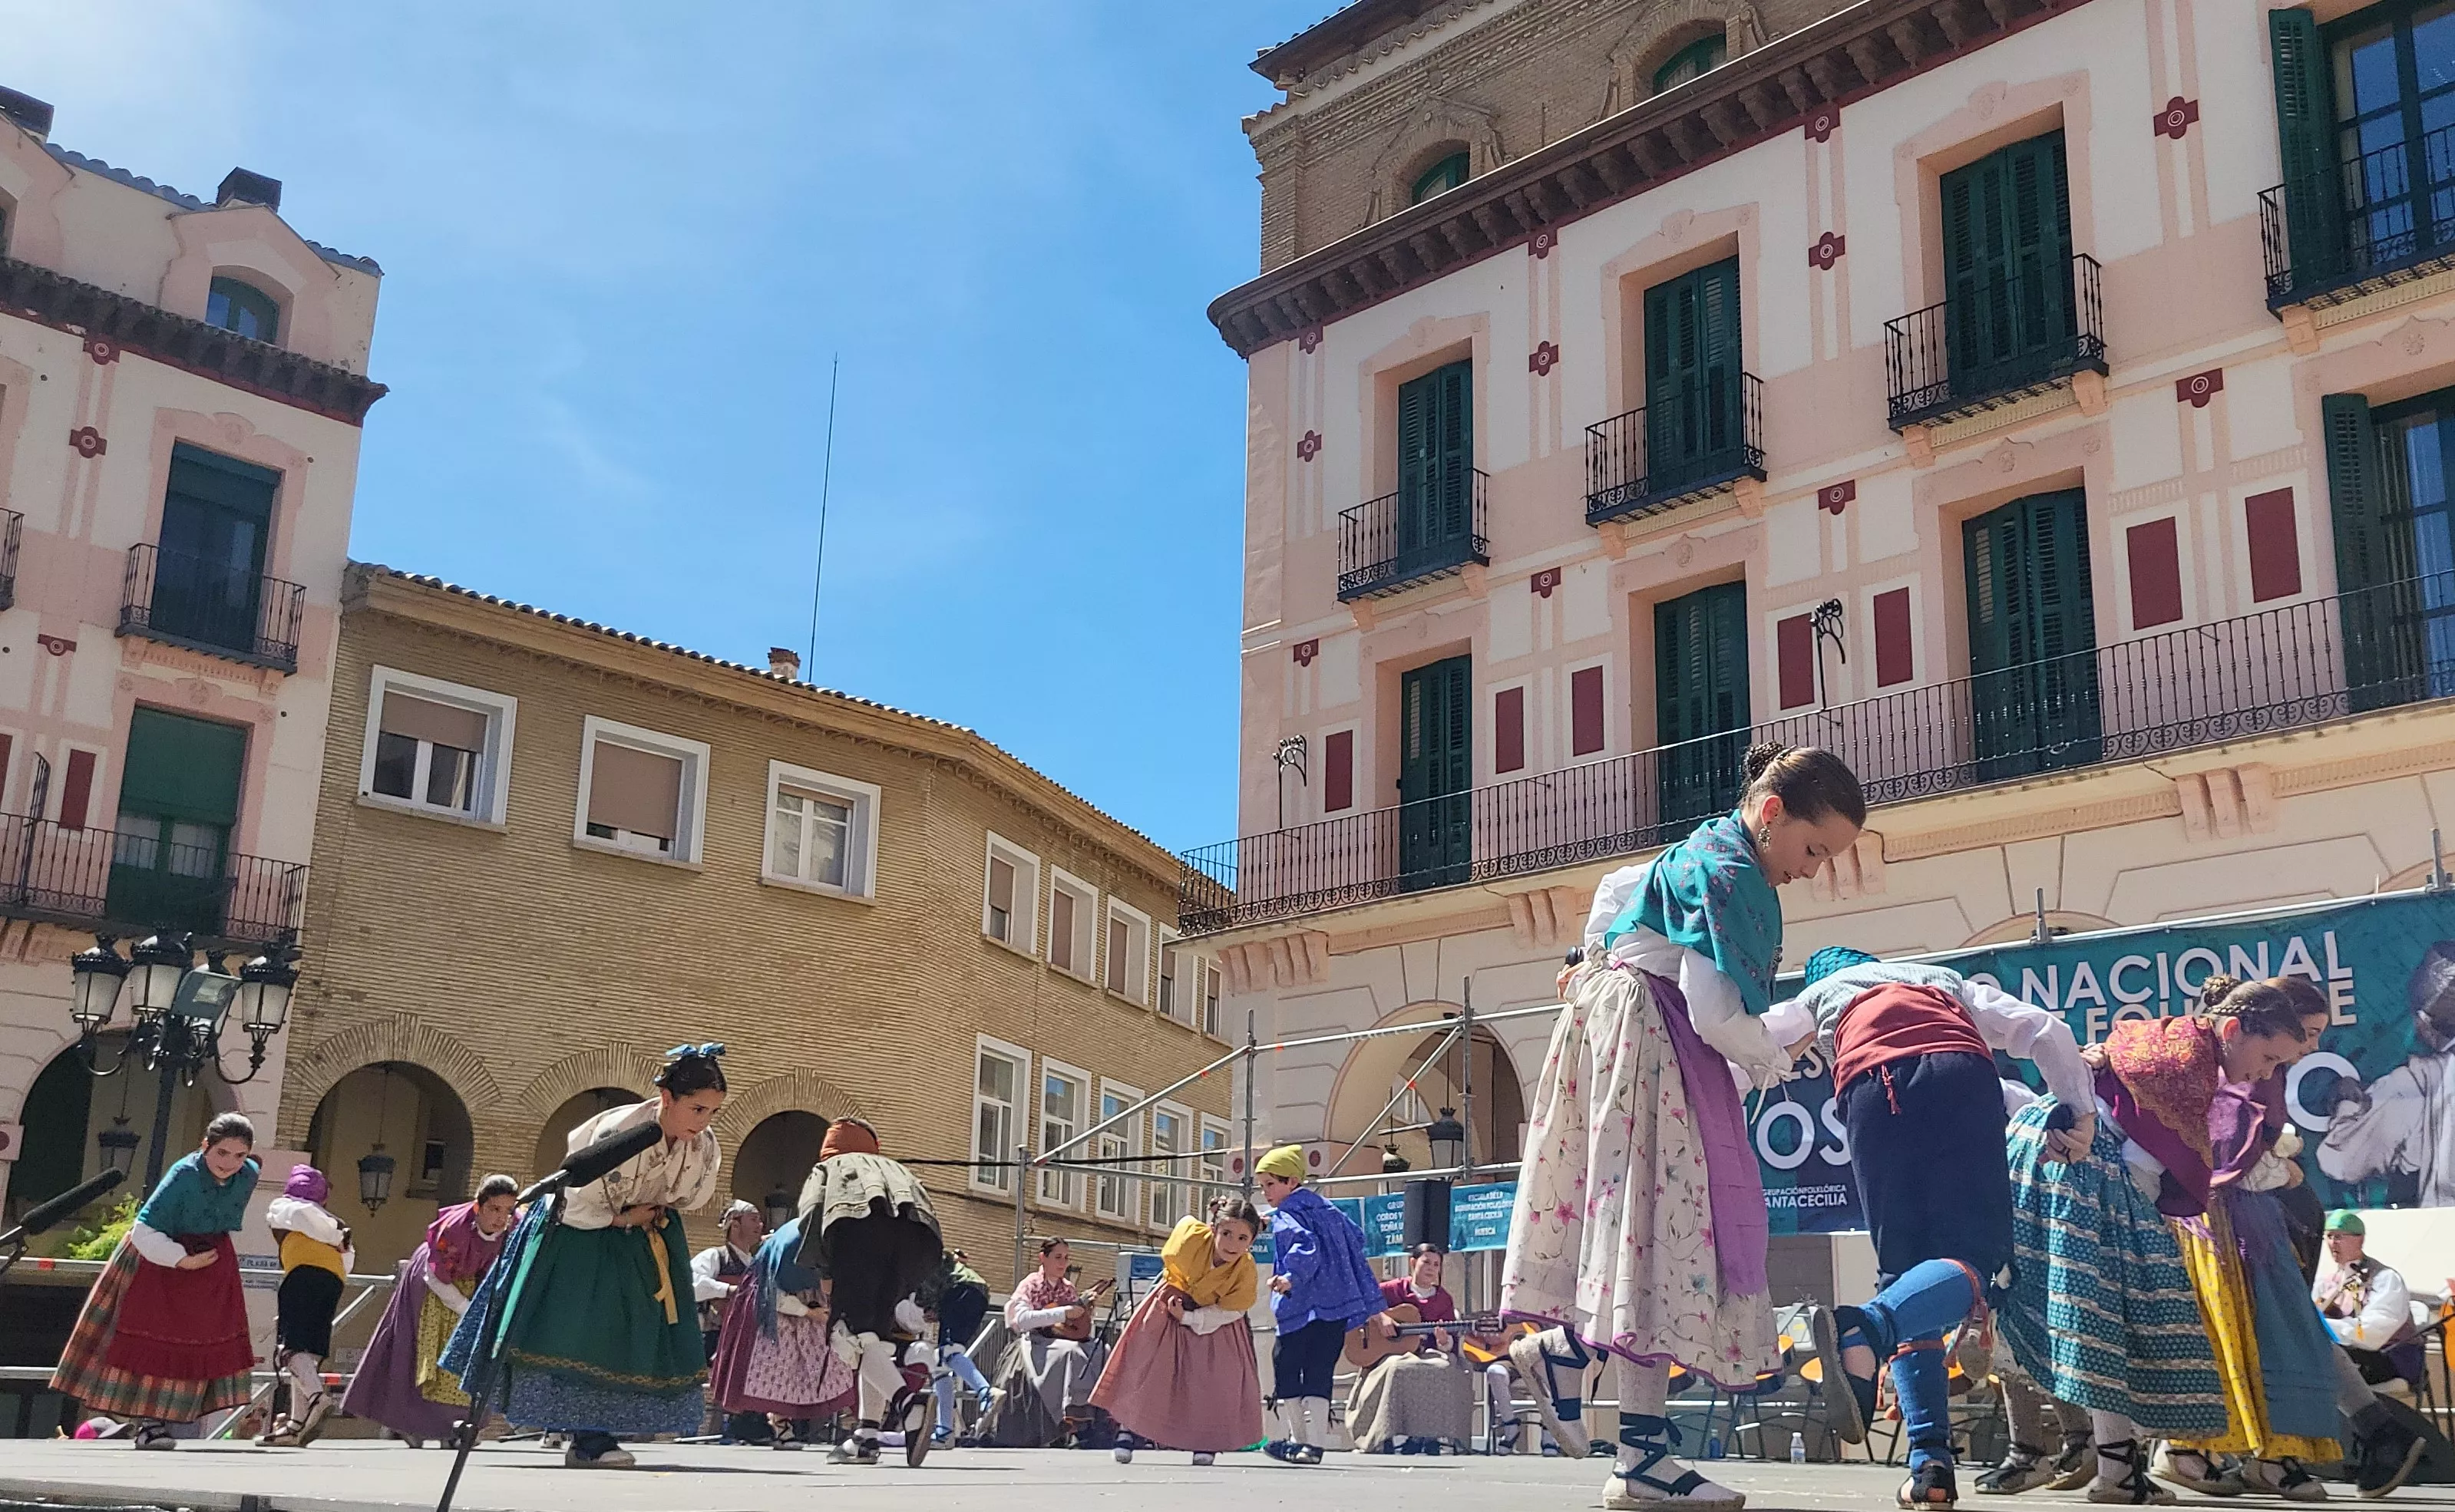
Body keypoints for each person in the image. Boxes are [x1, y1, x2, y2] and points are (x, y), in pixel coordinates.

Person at [1502, 742, 1866, 1512]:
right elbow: (1714, 1013)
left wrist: (1593, 957)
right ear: (1772, 813)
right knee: (1667, 1233)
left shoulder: (1701, 851)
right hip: (1654, 1036)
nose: (1811, 870)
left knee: (1653, 1237)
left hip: (1621, 1029)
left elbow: (1617, 890)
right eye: (1813, 849)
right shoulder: (1730, 875)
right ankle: (1615, 1419)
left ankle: (1616, 1419)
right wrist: (1776, 1053)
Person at [1780, 946, 2093, 1507]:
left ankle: (1930, 1466)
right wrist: (2077, 1112)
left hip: (1870, 1089)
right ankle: (1866, 1329)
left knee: (1903, 1273)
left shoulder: (1819, 997)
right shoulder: (1939, 979)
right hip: (1957, 1076)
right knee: (1975, 1257)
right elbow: (2044, 1029)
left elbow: (1752, 1043)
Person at [1999, 985, 2321, 1504]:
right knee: (2112, 1321)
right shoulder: (2190, 1064)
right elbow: (2146, 1160)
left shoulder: (2172, 1039)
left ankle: (2117, 1467)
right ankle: (2117, 1471)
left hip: (2054, 1157)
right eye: (2268, 1058)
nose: (2266, 1073)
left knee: (2100, 1322)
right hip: (2083, 1170)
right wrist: (2143, 1226)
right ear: (2233, 1030)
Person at [443, 1043, 727, 1468]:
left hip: (639, 1238)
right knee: (575, 1332)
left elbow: (687, 1194)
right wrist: (622, 1217)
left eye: (712, 1112)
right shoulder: (621, 1131)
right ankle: (582, 1436)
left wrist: (644, 1216)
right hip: (579, 1236)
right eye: (697, 1109)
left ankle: (595, 1433)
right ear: (667, 1097)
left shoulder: (701, 1145)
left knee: (624, 1336)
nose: (703, 1121)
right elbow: (575, 1198)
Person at [2143, 979, 2341, 1502]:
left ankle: (2267, 1454)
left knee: (2271, 1333)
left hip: (2251, 1227)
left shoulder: (2262, 1075)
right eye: (2307, 1034)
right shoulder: (2236, 1078)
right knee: (2228, 1333)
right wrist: (2280, 1171)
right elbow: (2222, 1152)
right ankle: (2192, 1448)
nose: (2310, 1049)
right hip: (2216, 1227)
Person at [50, 1113, 261, 1451]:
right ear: (205, 1146)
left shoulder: (248, 1174)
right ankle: (149, 1425)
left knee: (200, 1338)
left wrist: (201, 1262)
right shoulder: (183, 1175)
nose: (230, 1163)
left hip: (209, 1262)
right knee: (149, 1339)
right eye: (222, 1153)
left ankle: (172, 1420)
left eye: (240, 1155)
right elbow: (144, 1230)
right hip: (157, 1258)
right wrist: (181, 1259)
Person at [792, 1117, 943, 1465]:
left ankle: (909, 1403)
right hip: (913, 1244)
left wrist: (824, 1272)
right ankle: (866, 1436)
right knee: (873, 1338)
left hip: (857, 1237)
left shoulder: (831, 1168)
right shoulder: (894, 1169)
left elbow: (813, 1214)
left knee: (847, 1334)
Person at [342, 1174, 519, 1445]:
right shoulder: (453, 1230)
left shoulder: (513, 1229)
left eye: (507, 1211)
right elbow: (436, 1276)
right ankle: (412, 1424)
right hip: (434, 1282)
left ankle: (457, 1427)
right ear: (478, 1206)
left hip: (473, 1285)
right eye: (494, 1209)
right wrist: (466, 1309)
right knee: (429, 1348)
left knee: (472, 1352)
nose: (500, 1218)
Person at [1092, 1197, 1265, 1464]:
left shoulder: (1246, 1270)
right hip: (1171, 1303)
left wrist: (1190, 1318)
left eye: (1243, 1238)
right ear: (1213, 1229)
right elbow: (1180, 1248)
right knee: (1146, 1364)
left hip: (1214, 1321)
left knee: (1215, 1377)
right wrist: (1178, 1311)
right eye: (1227, 1234)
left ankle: (1206, 1441)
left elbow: (1232, 1311)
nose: (1232, 1244)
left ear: (1252, 1241)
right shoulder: (1191, 1240)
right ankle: (1129, 1429)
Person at [1258, 1142, 1383, 1466]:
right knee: (1320, 1369)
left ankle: (1296, 1438)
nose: (1265, 1191)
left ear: (1291, 1182)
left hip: (1300, 1302)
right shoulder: (1328, 1210)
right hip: (1335, 1303)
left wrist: (1291, 1277)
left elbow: (1305, 1244)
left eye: (1270, 1184)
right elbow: (1357, 1237)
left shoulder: (1288, 1213)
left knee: (1286, 1365)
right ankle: (1314, 1446)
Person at [708, 1211, 853, 1448]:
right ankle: (779, 1426)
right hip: (769, 1310)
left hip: (803, 1306)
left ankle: (793, 1425)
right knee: (777, 1365)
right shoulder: (791, 1251)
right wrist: (809, 1313)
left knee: (813, 1364)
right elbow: (771, 1295)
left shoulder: (821, 1243)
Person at [1346, 1244, 1478, 1454]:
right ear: (1413, 1262)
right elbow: (1361, 1301)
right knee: (1395, 1368)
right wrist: (1381, 1317)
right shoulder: (1392, 1290)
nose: (1432, 1268)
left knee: (1441, 1367)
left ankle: (1426, 1435)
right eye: (1426, 1262)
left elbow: (1450, 1343)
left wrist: (1444, 1341)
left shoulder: (1443, 1299)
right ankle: (1383, 1435)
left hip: (1428, 1352)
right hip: (1390, 1354)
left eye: (1436, 1265)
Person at [259, 1164, 355, 1447]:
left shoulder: (285, 1206)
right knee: (307, 1352)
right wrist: (336, 1238)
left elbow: (301, 1214)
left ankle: (316, 1398)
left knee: (290, 1348)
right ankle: (296, 1424)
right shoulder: (335, 1224)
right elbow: (348, 1258)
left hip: (302, 1273)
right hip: (333, 1279)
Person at [990, 1237, 1102, 1447]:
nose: (1063, 1263)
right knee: (1071, 1352)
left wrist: (1086, 1313)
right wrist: (1063, 1312)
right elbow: (1022, 1319)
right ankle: (1071, 1418)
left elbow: (1074, 1326)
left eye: (1066, 1258)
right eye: (1058, 1257)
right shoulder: (1030, 1284)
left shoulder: (1068, 1288)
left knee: (1100, 1349)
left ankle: (1096, 1419)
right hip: (1035, 1341)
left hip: (1062, 1338)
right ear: (1043, 1258)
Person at [2315, 1213, 2425, 1388]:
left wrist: (2323, 1326)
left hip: (2392, 1359)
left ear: (2360, 1239)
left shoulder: (2386, 1278)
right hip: (2354, 1356)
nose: (2333, 1243)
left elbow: (2374, 1332)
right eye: (2329, 1236)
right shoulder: (2327, 1283)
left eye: (2339, 1237)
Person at [691, 1200, 768, 1442]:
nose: (760, 1225)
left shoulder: (758, 1263)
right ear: (735, 1225)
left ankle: (751, 1422)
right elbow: (693, 1285)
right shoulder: (715, 1256)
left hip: (749, 1338)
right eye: (753, 1219)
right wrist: (730, 1290)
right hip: (716, 1337)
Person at [927, 1249, 995, 1444]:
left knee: (948, 1352)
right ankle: (944, 1432)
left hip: (961, 1290)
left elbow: (925, 1292)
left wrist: (927, 1308)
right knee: (941, 1363)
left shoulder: (918, 1259)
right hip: (978, 1293)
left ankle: (985, 1391)